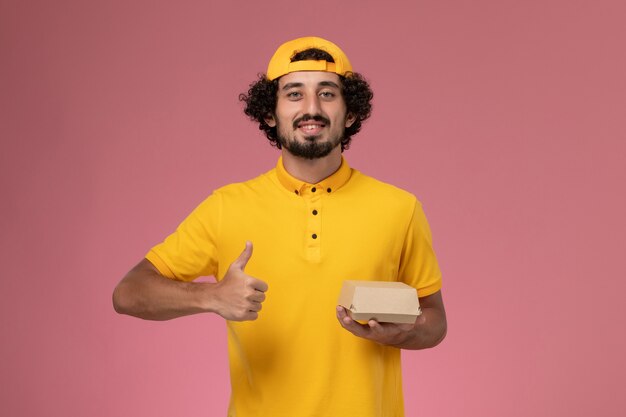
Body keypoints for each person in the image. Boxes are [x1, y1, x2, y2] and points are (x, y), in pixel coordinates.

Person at [113, 36, 447, 417]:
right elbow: (128, 293)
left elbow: (434, 321)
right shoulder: (227, 207)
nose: (311, 108)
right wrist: (210, 297)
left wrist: (400, 332)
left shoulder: (399, 208)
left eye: (327, 94)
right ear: (270, 114)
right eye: (293, 94)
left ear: (349, 113)